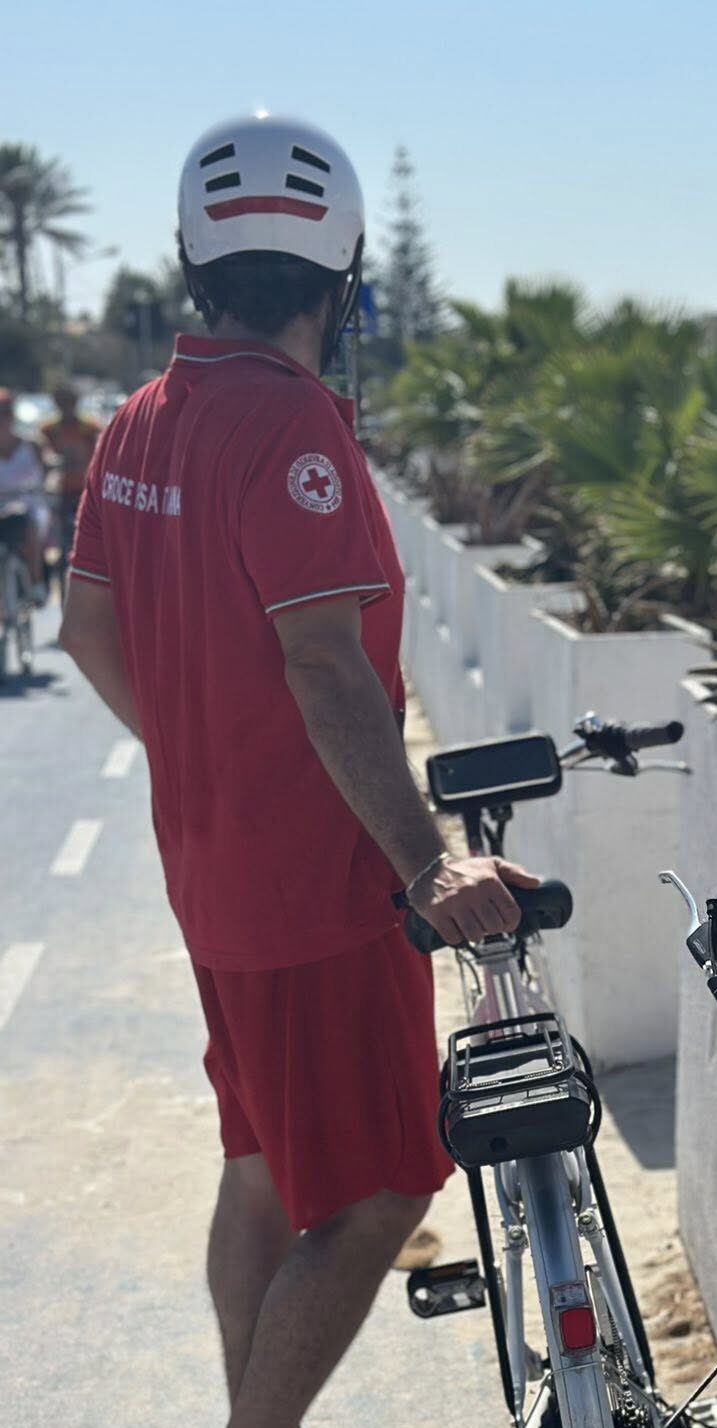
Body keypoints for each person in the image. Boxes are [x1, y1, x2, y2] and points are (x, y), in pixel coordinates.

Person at [59, 113, 534, 1428]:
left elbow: (87, 627)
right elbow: (325, 666)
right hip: (316, 889)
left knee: (262, 1162)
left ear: (191, 260)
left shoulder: (139, 421)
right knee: (386, 1187)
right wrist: (428, 862)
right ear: (343, 278)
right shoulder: (293, 430)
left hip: (209, 871)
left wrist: (197, 746)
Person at [38, 382, 101, 578]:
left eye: (69, 401)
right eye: (61, 402)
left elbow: (102, 452)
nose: (66, 406)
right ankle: (45, 572)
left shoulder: (90, 427)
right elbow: (41, 455)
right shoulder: (48, 429)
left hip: (85, 491)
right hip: (58, 491)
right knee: (47, 531)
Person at [0, 390, 49, 599]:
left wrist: (50, 483)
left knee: (31, 526)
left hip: (29, 503)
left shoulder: (32, 444)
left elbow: (49, 469)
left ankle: (36, 580)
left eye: (6, 413)